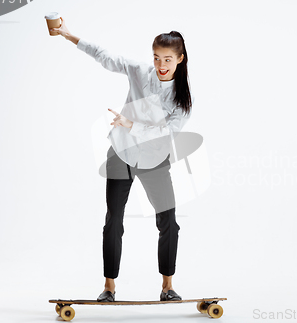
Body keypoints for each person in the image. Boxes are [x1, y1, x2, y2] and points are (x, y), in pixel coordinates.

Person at [51, 17, 193, 302]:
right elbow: (106, 57)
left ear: (180, 59)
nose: (161, 65)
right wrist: (69, 36)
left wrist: (131, 124)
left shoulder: (181, 100)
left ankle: (167, 286)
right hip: (122, 153)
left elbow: (166, 134)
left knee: (169, 221)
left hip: (154, 160)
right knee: (113, 220)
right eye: (156, 58)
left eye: (167, 59)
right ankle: (109, 287)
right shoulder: (141, 72)